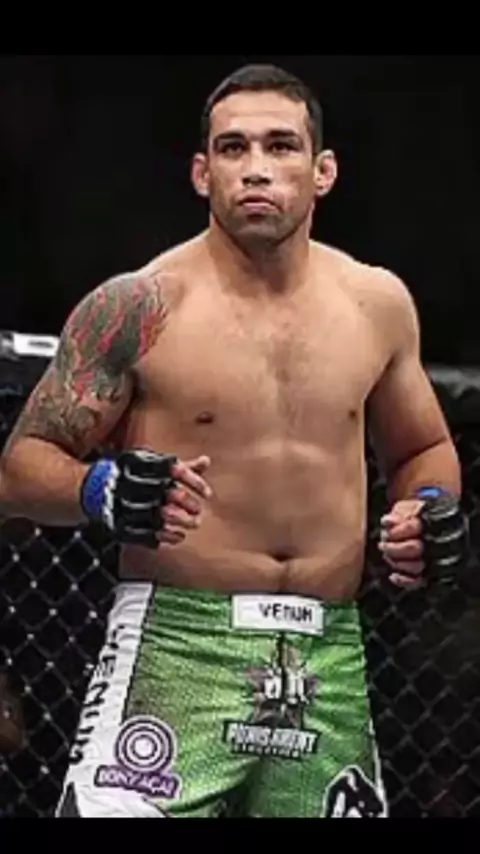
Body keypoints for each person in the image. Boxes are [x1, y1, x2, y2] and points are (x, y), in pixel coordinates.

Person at [0, 64, 467, 819]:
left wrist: (430, 507)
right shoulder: (139, 306)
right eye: (232, 147)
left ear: (322, 171)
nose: (255, 168)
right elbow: (18, 471)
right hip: (177, 646)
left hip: (326, 656)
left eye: (280, 146)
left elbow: (421, 451)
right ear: (201, 172)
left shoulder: (377, 305)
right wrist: (98, 488)